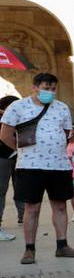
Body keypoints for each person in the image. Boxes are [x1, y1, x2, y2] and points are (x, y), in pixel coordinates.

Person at [0, 73, 74, 263]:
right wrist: (22, 151)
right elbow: (5, 135)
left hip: (59, 166)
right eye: (46, 88)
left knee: (60, 206)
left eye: (53, 89)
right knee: (32, 208)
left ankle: (62, 245)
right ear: (35, 87)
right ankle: (29, 249)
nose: (50, 92)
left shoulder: (62, 108)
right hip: (30, 167)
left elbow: (65, 133)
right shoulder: (17, 107)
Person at [0, 95, 18, 240]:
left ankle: (23, 216)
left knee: (20, 187)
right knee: (0, 190)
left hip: (15, 157)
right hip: (2, 158)